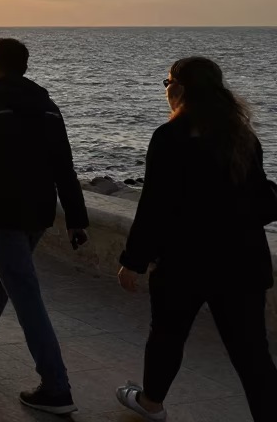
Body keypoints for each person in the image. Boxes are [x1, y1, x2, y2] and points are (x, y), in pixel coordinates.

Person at [114, 57, 276, 421]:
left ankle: (151, 403)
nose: (166, 88)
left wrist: (133, 261)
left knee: (167, 336)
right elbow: (259, 200)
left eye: (168, 81)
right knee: (252, 354)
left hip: (185, 262)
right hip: (241, 262)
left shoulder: (170, 136)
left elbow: (154, 205)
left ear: (181, 89)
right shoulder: (242, 136)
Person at [0, 38, 88, 416]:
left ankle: (56, 387)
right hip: (39, 213)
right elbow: (65, 169)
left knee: (24, 291)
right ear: (24, 67)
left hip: (1, 211)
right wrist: (77, 220)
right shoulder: (50, 109)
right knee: (3, 277)